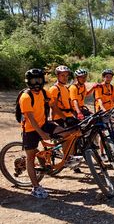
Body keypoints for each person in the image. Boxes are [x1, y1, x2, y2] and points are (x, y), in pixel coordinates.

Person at [19, 69, 73, 198]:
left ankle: (67, 158)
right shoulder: (26, 97)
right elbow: (31, 119)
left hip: (44, 123)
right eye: (33, 80)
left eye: (39, 80)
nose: (37, 83)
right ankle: (36, 187)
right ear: (28, 82)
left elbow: (54, 106)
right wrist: (42, 134)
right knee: (30, 158)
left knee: (67, 133)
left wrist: (66, 118)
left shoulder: (44, 93)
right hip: (30, 129)